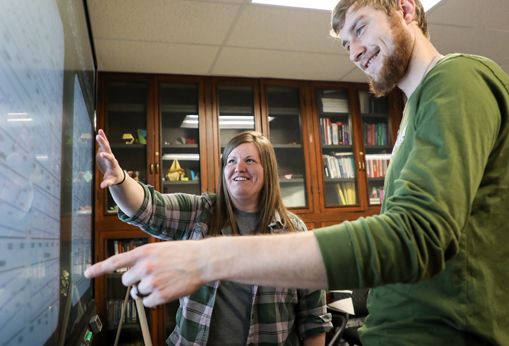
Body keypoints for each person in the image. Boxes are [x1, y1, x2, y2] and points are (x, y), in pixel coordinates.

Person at [86, 0, 509, 346]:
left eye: (360, 28)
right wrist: (123, 178)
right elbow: (147, 206)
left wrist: (209, 258)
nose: (353, 52)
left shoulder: (456, 77)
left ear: (406, 9)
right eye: (346, 44)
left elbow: (415, 236)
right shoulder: (412, 113)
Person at [94, 129, 331, 346]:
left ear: (268, 169)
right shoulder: (200, 212)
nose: (239, 167)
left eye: (250, 160)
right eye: (231, 161)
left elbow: (314, 319)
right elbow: (148, 207)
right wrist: (121, 179)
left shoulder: (295, 232)